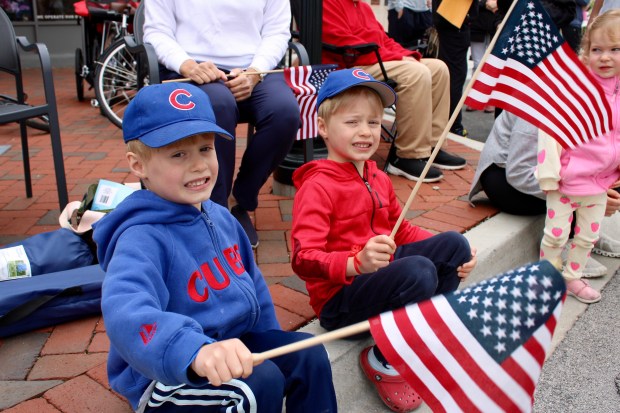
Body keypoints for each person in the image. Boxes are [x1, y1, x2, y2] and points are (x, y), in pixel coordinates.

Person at [92, 83, 337, 413]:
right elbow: (126, 311)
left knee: (307, 353)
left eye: (205, 149)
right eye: (179, 154)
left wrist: (271, 337)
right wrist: (193, 351)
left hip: (230, 344)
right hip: (170, 369)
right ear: (139, 165)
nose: (198, 165)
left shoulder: (221, 217)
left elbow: (254, 286)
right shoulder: (140, 238)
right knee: (259, 383)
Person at [290, 68, 477, 412]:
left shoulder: (376, 176)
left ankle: (422, 335)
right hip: (341, 301)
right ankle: (385, 358)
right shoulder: (317, 187)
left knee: (454, 245)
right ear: (323, 128)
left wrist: (450, 256)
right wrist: (353, 263)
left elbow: (401, 232)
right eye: (353, 122)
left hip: (382, 278)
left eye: (374, 123)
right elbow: (303, 259)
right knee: (419, 271)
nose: (365, 132)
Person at [143, 0, 301, 247]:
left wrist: (255, 71)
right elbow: (157, 31)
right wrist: (187, 65)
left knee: (285, 113)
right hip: (191, 69)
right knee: (219, 106)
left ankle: (242, 199)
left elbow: (276, 32)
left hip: (253, 69)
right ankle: (215, 210)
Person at [321, 0, 468, 183]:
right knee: (416, 72)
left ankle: (432, 147)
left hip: (374, 60)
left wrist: (406, 56)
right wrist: (399, 58)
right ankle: (407, 156)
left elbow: (385, 41)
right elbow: (343, 43)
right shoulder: (328, 3)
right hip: (350, 66)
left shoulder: (363, 7)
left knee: (438, 68)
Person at [467, 111, 619, 277]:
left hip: (550, 170)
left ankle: (587, 233)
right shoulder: (539, 101)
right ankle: (566, 241)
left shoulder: (592, 96)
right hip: (505, 179)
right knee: (582, 190)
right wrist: (588, 195)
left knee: (606, 184)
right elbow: (518, 173)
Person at [536, 9, 620, 304]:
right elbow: (551, 129)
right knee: (556, 235)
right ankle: (545, 277)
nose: (605, 57)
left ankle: (572, 276)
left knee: (586, 238)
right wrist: (548, 174)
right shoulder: (577, 89)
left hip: (599, 184)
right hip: (566, 181)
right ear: (586, 52)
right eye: (597, 50)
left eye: (615, 50)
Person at [466, 0, 501, 113]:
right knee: (477, 64)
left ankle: (490, 99)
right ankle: (474, 98)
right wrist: (485, 3)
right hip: (477, 23)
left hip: (496, 23)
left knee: (494, 64)